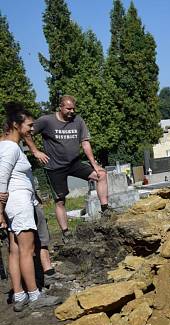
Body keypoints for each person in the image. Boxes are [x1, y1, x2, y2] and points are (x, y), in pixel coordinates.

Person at [0, 102, 60, 311]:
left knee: (15, 250)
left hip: (13, 204)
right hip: (18, 203)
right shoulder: (10, 148)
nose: (31, 130)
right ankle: (35, 296)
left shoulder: (5, 145)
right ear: (16, 125)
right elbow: (1, 179)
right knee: (27, 250)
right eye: (29, 126)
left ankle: (18, 295)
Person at [24, 95, 109, 241]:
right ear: (61, 107)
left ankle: (106, 210)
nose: (71, 111)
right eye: (68, 108)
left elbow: (85, 143)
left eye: (73, 108)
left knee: (101, 175)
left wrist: (94, 164)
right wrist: (35, 151)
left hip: (74, 163)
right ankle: (65, 233)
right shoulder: (47, 121)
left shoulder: (78, 120)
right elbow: (26, 132)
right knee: (60, 200)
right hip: (55, 167)